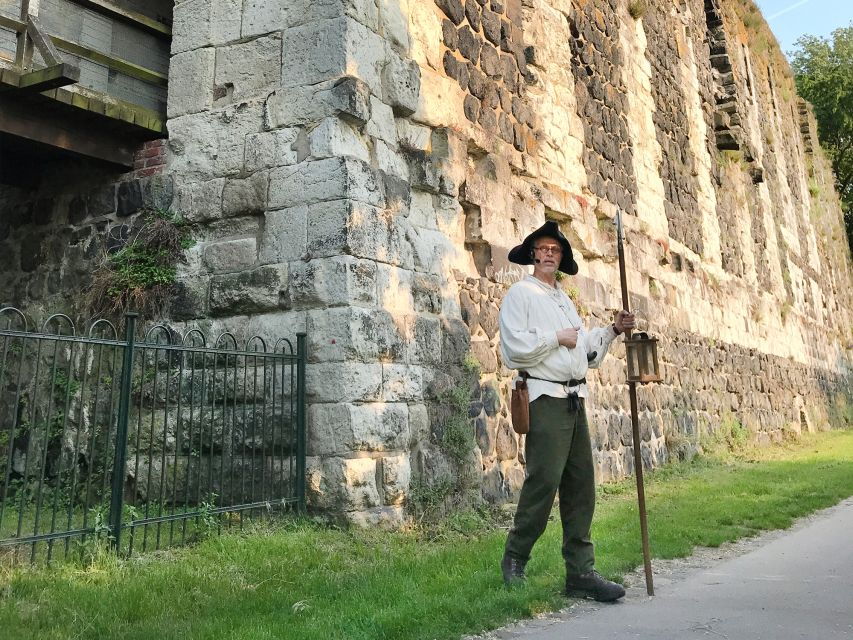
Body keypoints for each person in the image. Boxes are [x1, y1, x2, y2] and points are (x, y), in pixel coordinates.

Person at [498, 220, 635, 602]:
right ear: (531, 255)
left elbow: (585, 352)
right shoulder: (521, 294)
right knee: (543, 481)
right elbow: (514, 349)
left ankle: (581, 572)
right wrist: (555, 338)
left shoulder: (563, 299)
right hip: (545, 400)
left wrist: (612, 330)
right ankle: (515, 558)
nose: (547, 254)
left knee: (581, 487)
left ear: (560, 259)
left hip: (576, 402)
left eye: (554, 250)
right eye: (541, 249)